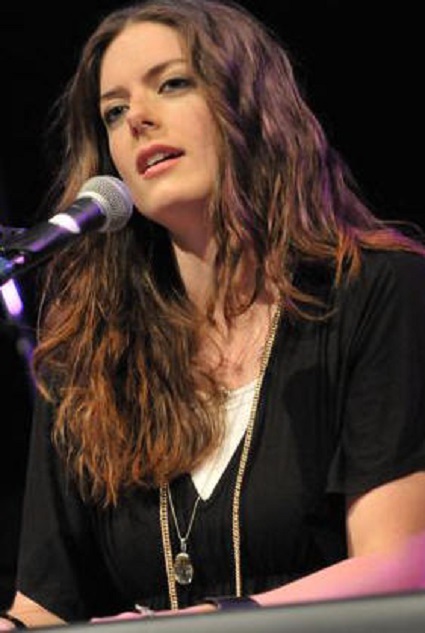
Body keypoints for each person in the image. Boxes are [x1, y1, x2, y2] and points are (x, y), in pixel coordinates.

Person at [2, 0, 425, 628]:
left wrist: (200, 622)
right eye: (113, 112)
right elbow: (45, 607)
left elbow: (400, 568)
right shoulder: (86, 359)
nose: (137, 119)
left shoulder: (378, 293)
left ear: (251, 108)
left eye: (172, 83)